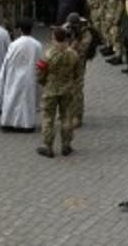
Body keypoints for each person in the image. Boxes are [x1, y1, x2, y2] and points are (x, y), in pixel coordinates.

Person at [35, 25, 80, 158]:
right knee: (66, 116)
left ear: (54, 39)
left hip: (51, 90)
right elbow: (77, 73)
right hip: (67, 89)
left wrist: (44, 82)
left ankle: (47, 145)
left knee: (48, 117)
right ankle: (66, 145)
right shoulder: (73, 54)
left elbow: (40, 73)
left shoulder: (48, 55)